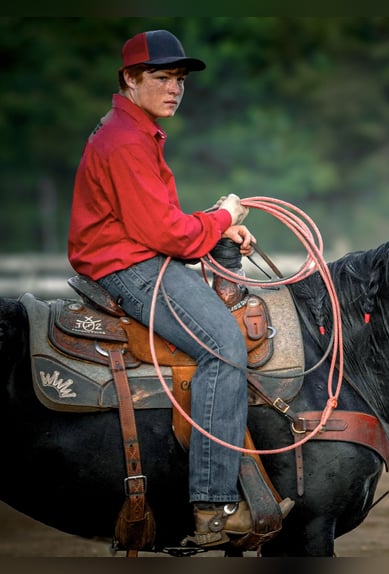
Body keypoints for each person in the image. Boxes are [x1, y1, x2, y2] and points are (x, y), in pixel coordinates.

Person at [68, 29, 255, 548]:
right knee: (225, 348)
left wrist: (216, 226)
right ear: (130, 79)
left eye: (179, 80)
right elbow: (168, 234)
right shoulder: (127, 140)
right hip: (131, 267)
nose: (174, 89)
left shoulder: (132, 130)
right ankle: (214, 507)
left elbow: (161, 217)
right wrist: (223, 214)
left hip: (134, 254)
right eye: (162, 77)